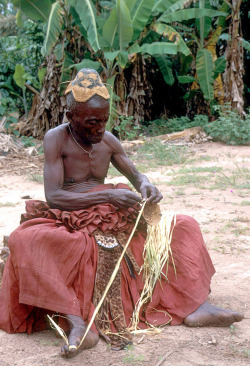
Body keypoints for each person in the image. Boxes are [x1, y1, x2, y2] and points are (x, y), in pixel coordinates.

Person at [0, 69, 243, 358]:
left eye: (104, 120)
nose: (100, 129)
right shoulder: (56, 139)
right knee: (27, 240)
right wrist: (107, 194)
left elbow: (136, 175)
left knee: (184, 226)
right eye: (92, 122)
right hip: (71, 212)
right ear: (70, 117)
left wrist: (147, 185)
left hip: (112, 211)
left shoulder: (108, 140)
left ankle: (193, 305)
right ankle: (78, 322)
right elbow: (54, 196)